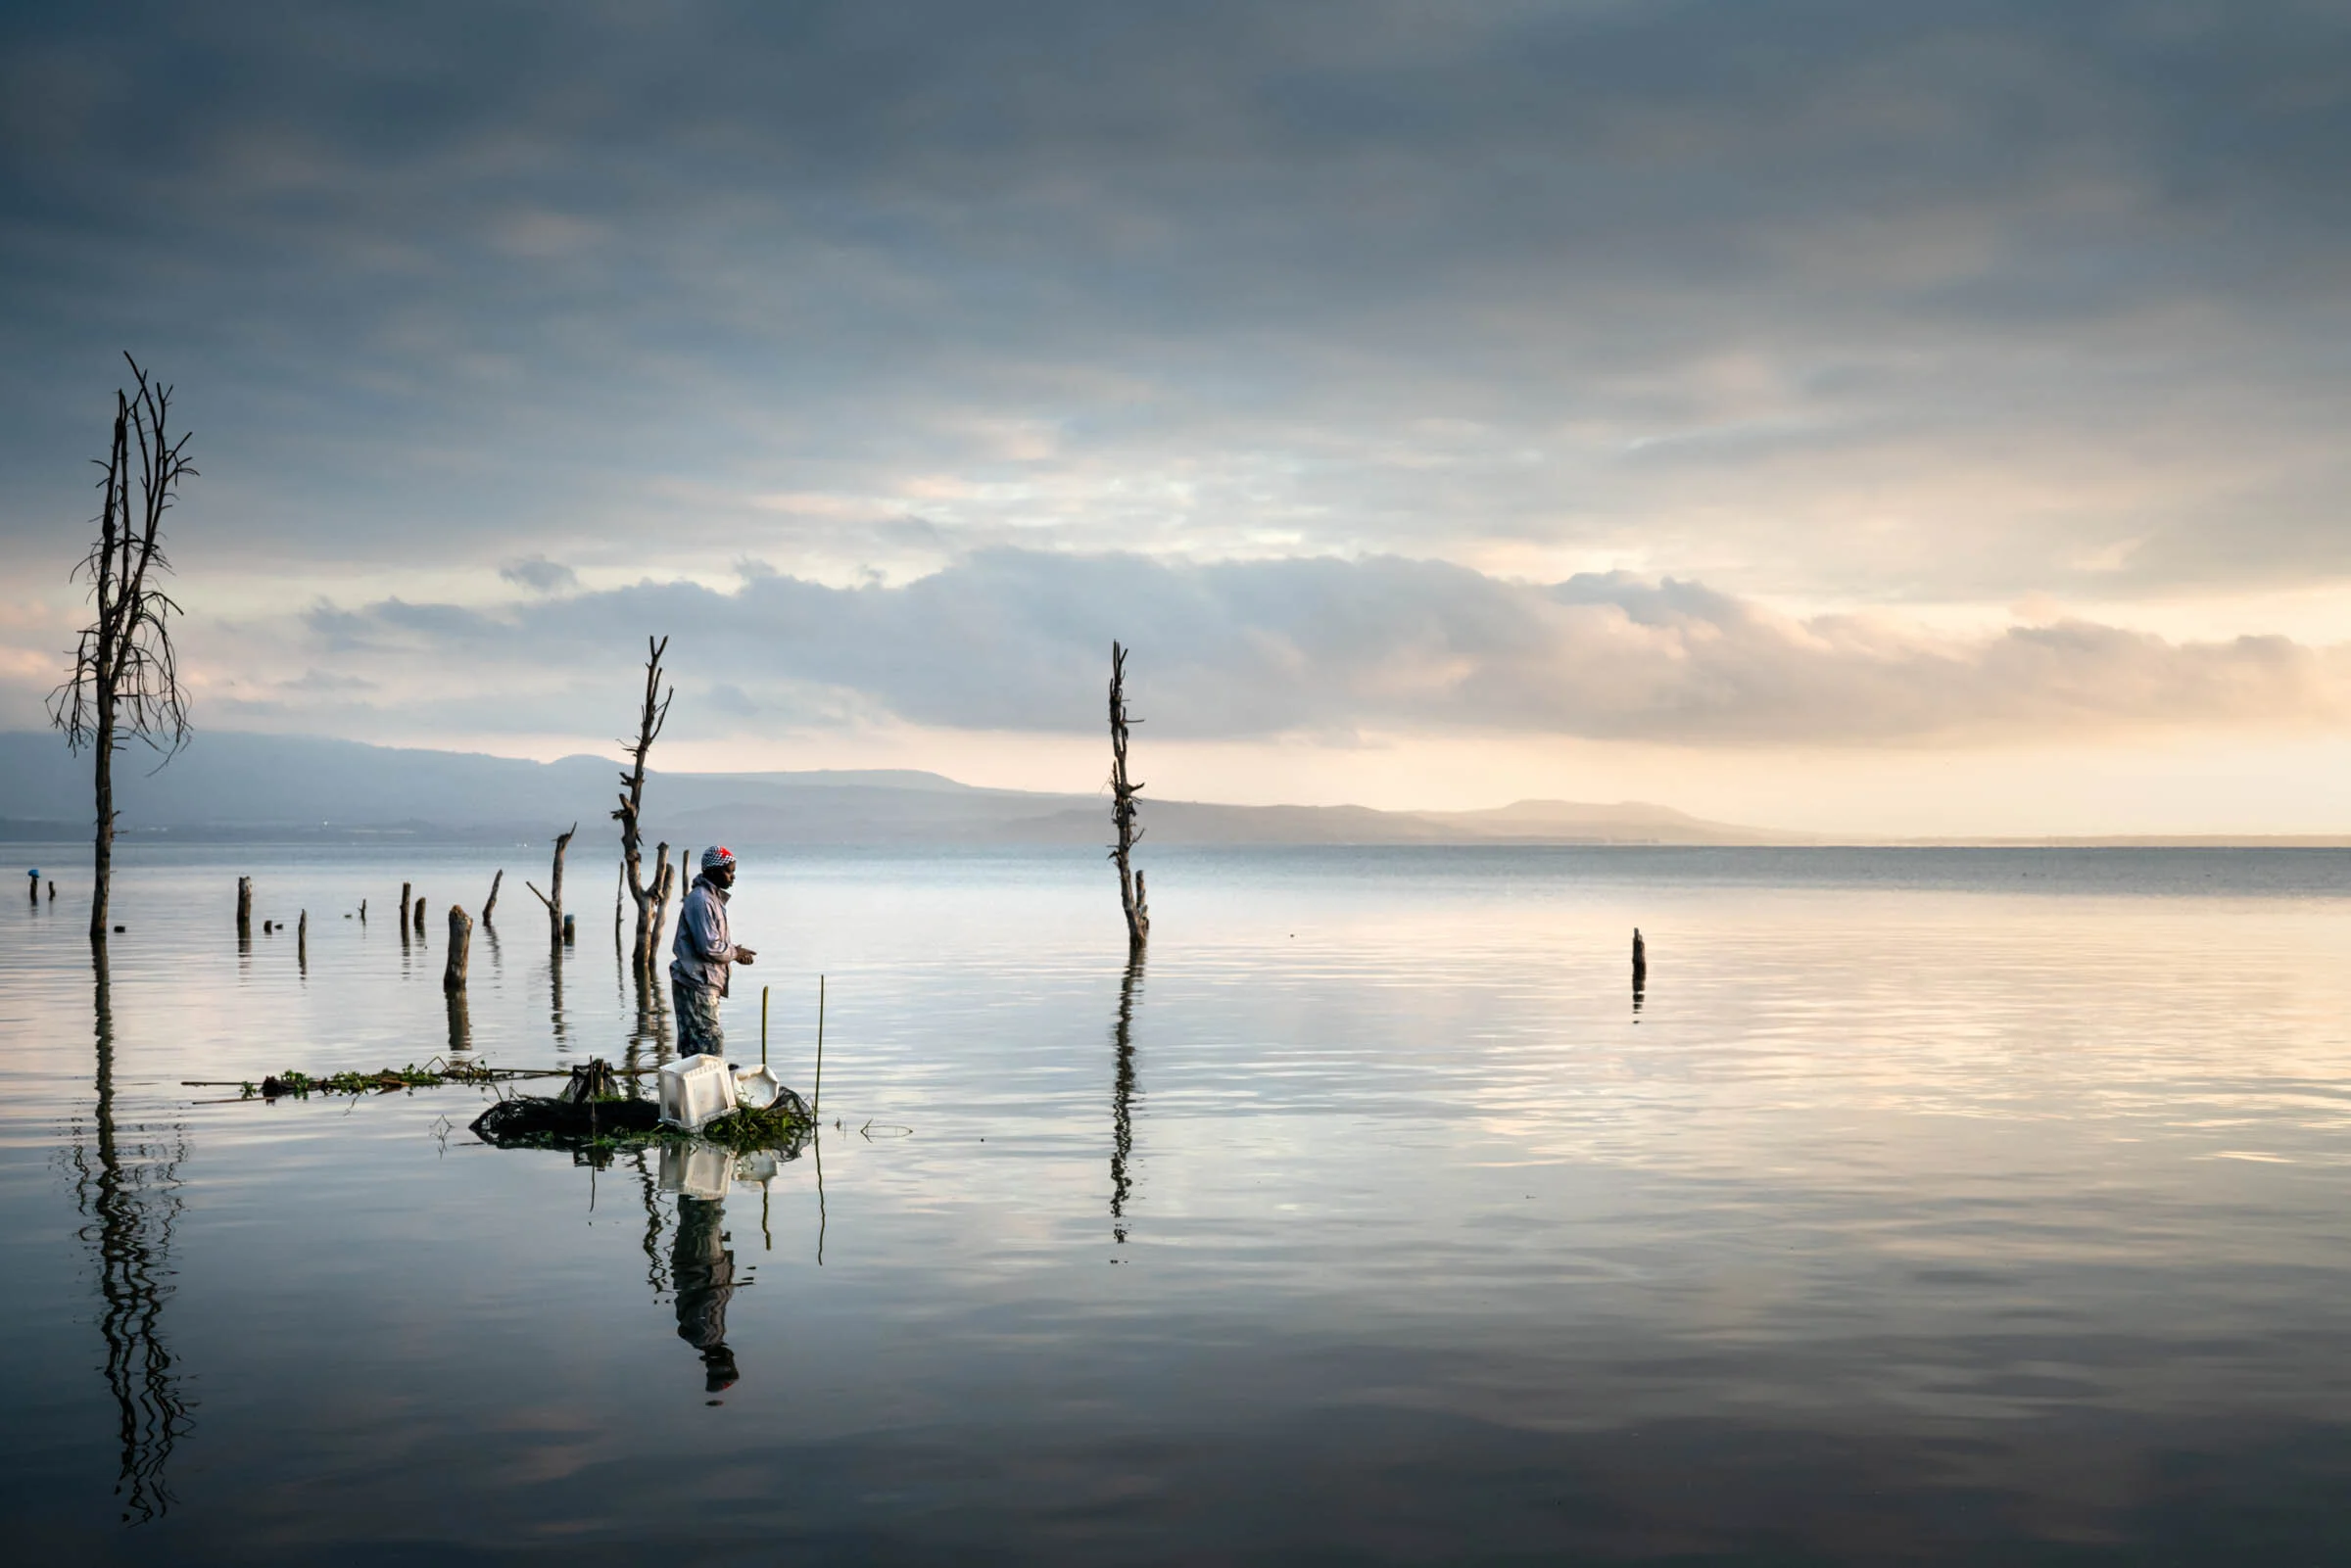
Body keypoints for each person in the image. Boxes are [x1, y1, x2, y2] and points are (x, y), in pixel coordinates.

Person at [670, 845, 756, 1058]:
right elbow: (709, 947)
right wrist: (735, 953)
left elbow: (713, 945)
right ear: (712, 871)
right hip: (696, 984)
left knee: (700, 1047)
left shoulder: (713, 899)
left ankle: (699, 1090)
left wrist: (735, 955)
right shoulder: (701, 900)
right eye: (729, 870)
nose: (733, 876)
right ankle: (702, 1090)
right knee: (707, 1043)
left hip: (703, 983)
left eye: (733, 870)